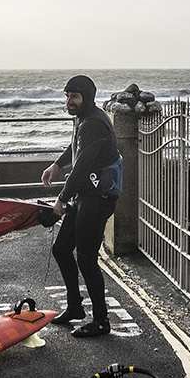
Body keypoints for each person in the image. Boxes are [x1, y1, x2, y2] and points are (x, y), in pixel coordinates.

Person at [41, 74, 122, 338]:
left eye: (74, 97)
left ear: (87, 97)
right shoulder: (84, 119)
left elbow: (83, 166)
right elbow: (75, 147)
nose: (69, 101)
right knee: (62, 248)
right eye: (67, 96)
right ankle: (75, 307)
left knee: (86, 257)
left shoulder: (95, 124)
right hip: (85, 194)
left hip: (98, 198)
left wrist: (62, 198)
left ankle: (101, 321)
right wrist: (56, 164)